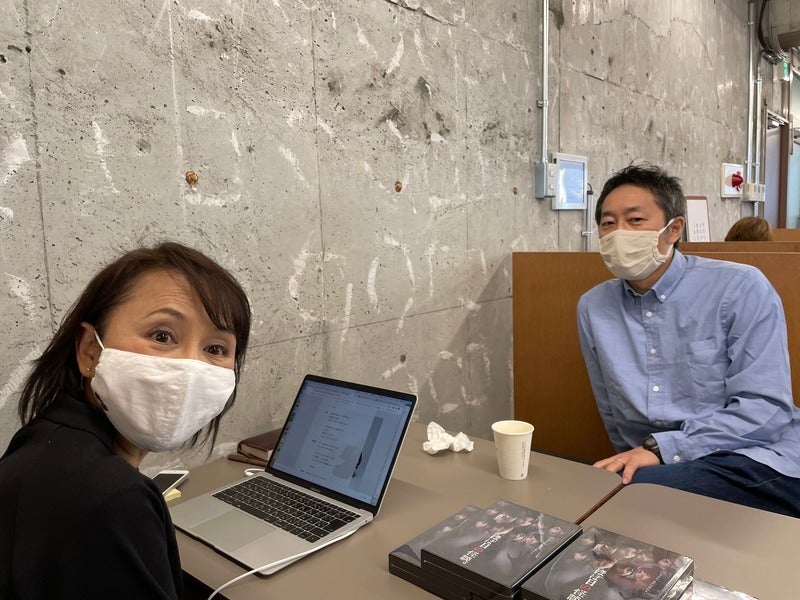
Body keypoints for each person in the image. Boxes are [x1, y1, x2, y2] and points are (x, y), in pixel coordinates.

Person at [0, 241, 251, 599]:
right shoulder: (115, 500)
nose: (190, 368)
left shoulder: (45, 437)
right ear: (90, 350)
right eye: (162, 336)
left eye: (215, 349)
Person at [577, 163, 800, 517]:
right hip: (664, 468)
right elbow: (612, 412)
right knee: (603, 489)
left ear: (673, 229)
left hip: (754, 457)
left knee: (630, 497)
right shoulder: (593, 307)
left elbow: (766, 409)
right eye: (607, 223)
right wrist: (635, 460)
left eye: (635, 220)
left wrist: (662, 449)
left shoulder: (739, 287)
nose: (618, 233)